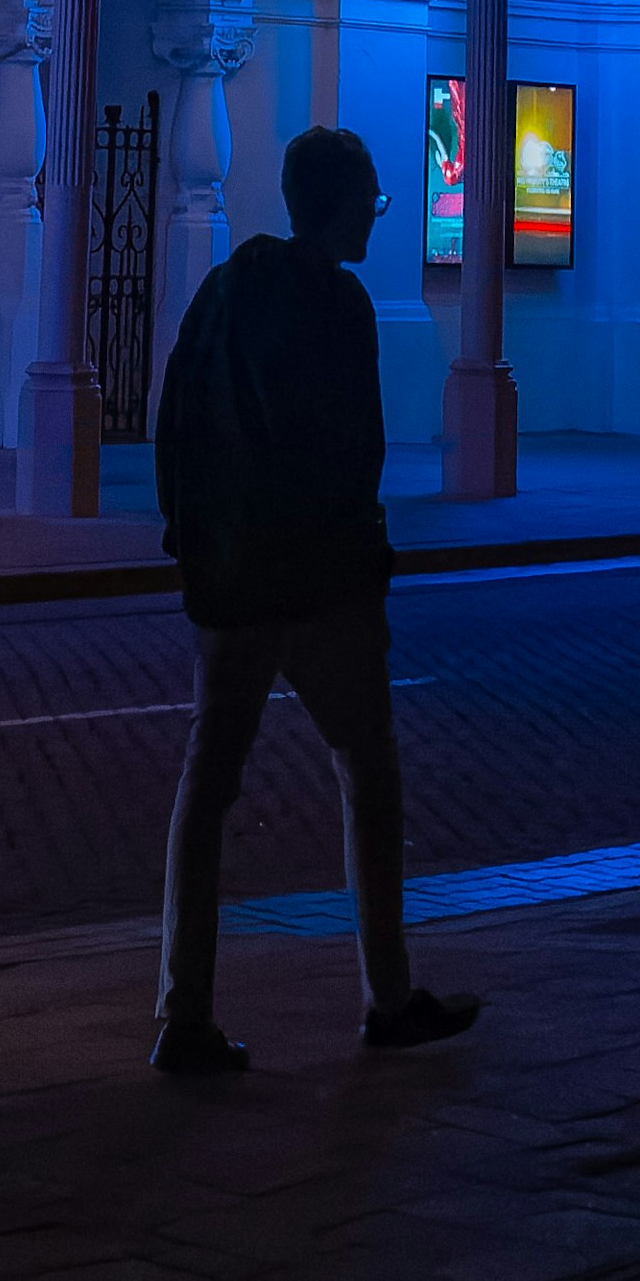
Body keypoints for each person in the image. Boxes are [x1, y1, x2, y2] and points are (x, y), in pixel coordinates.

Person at [148, 124, 479, 1077]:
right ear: (337, 203)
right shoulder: (340, 305)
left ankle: (185, 1010)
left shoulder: (221, 291)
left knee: (206, 790)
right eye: (372, 200)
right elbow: (352, 454)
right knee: (367, 773)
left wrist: (189, 540)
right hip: (317, 583)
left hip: (231, 579)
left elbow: (176, 418)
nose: (376, 216)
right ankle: (386, 991)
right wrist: (364, 569)